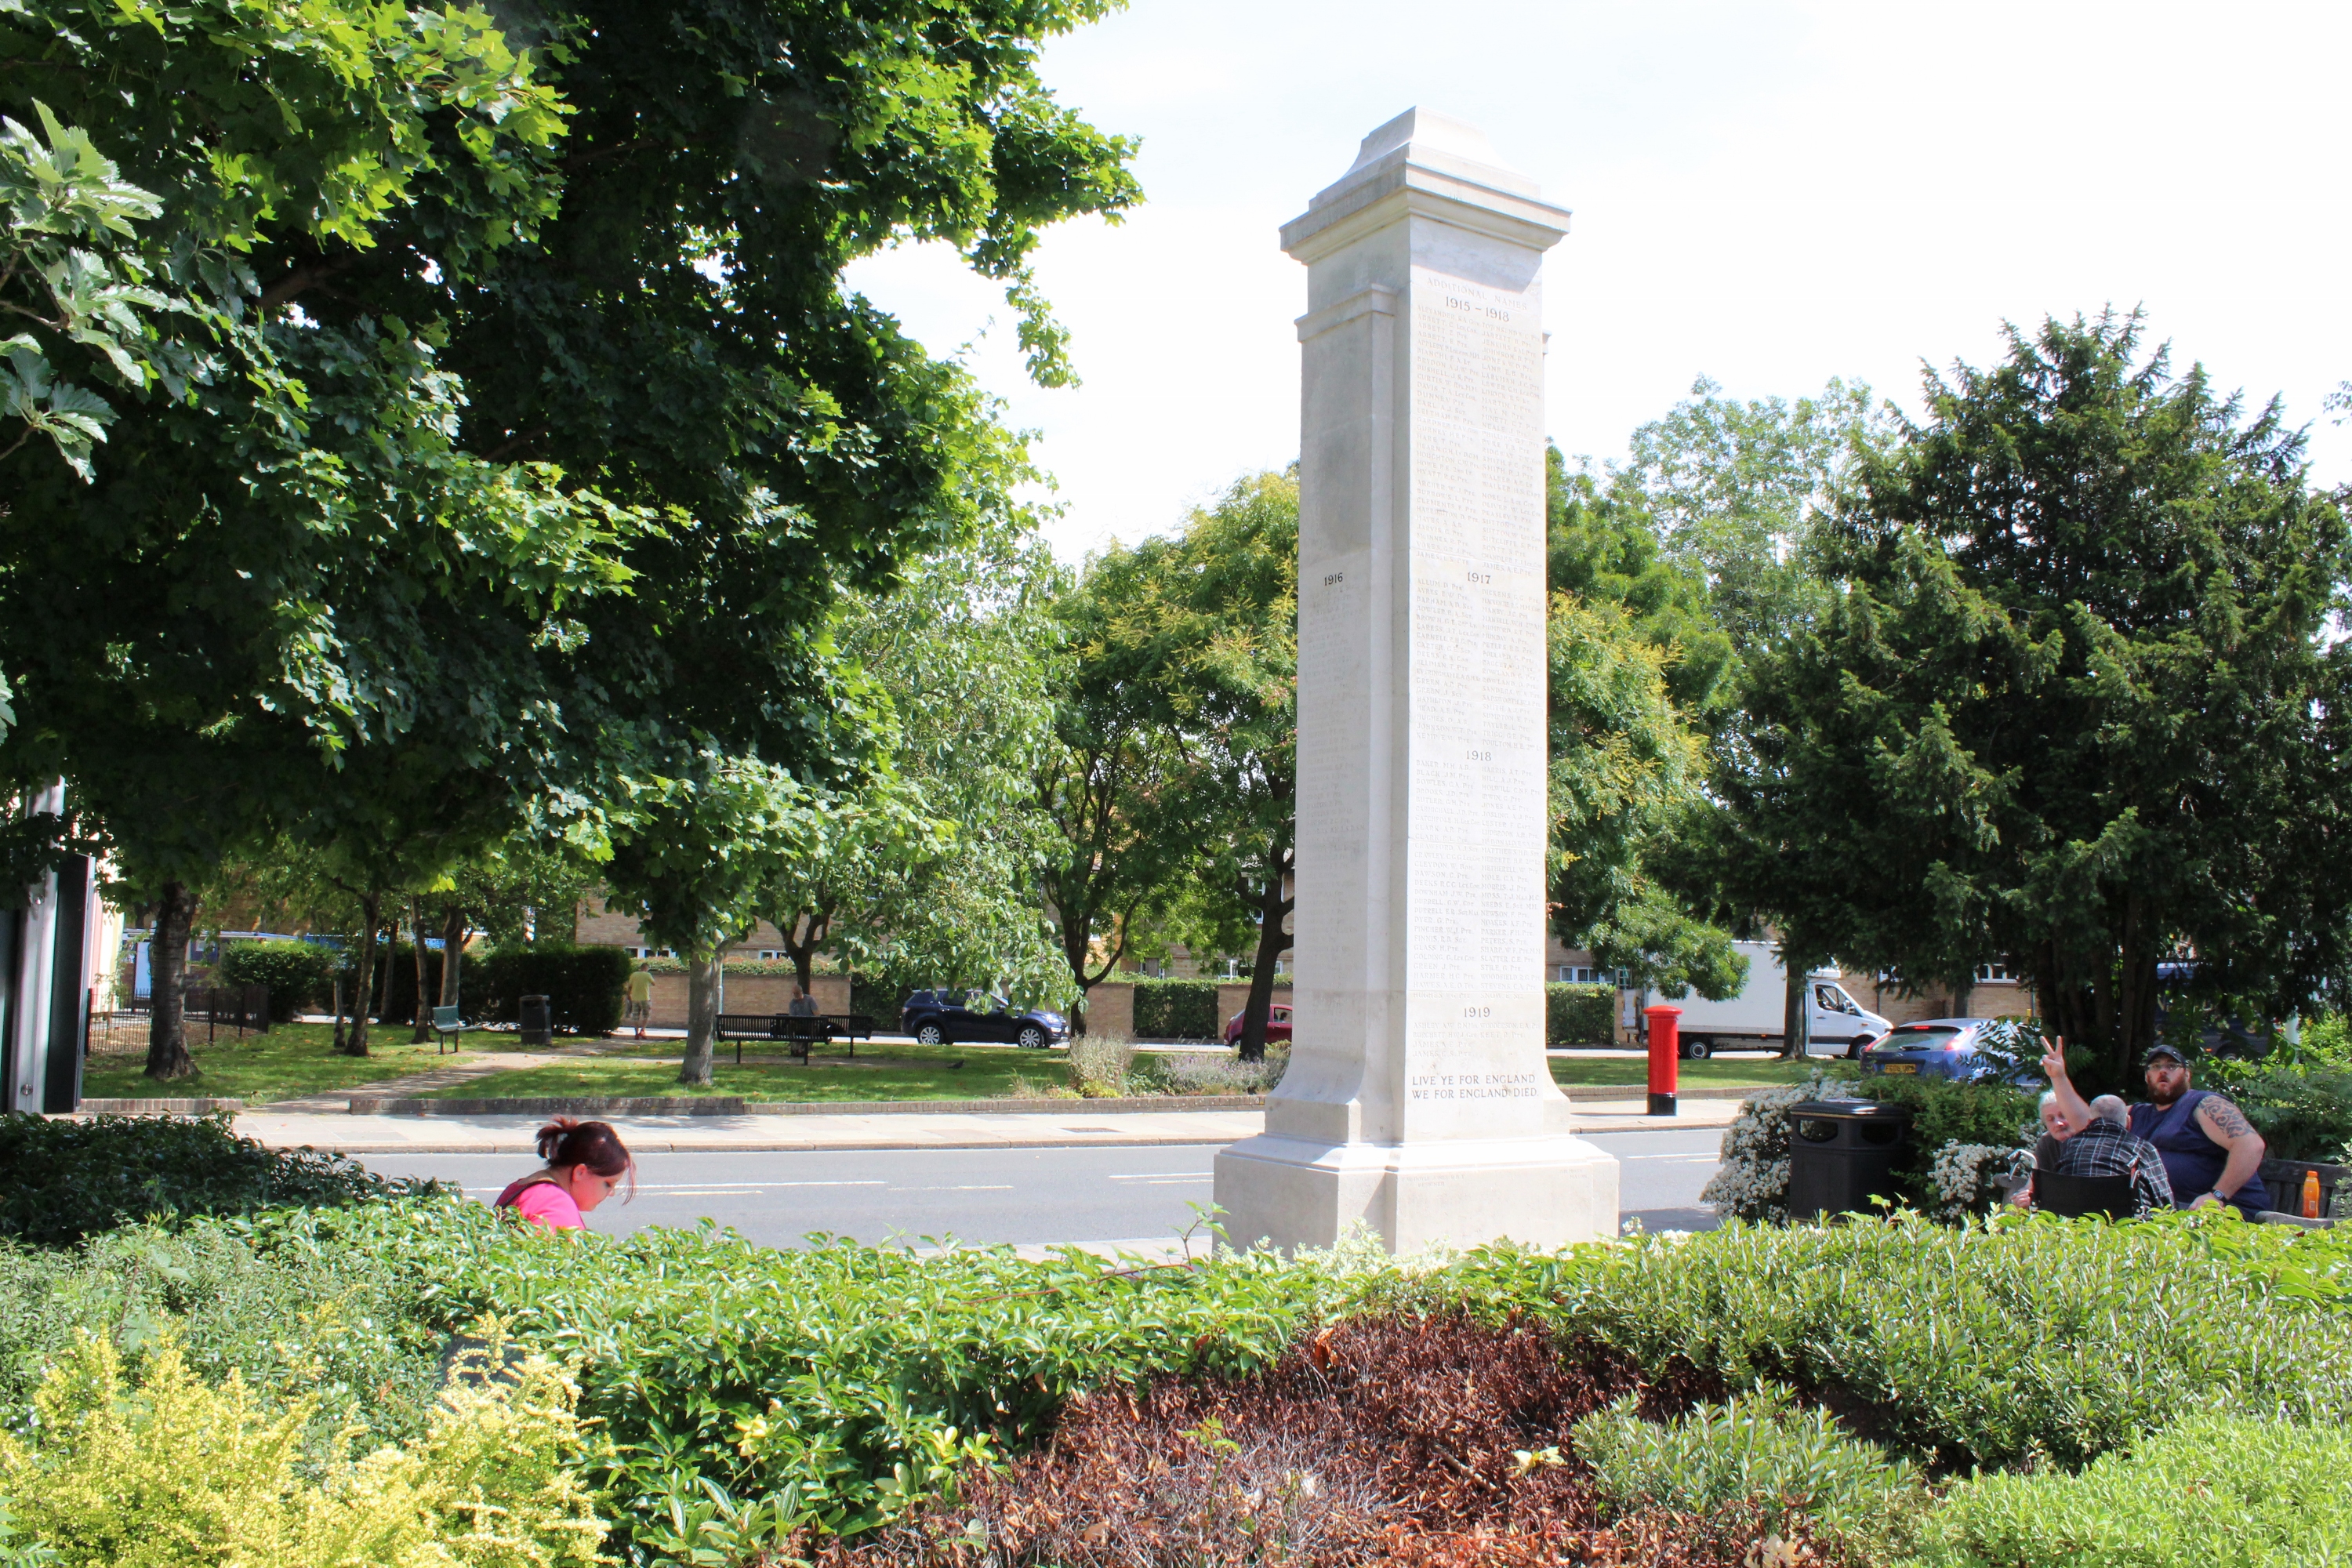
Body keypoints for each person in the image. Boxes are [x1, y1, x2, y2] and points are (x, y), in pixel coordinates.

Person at [2042, 1038, 2267, 1218]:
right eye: (2156, 1067)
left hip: (2223, 1213)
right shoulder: (2137, 1115)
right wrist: (2059, 1077)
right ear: (2147, 1076)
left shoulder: (2204, 1104)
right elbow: (2088, 1124)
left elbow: (2251, 1145)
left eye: (2172, 1066)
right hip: (2165, 1216)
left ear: (2187, 1075)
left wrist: (2217, 1195)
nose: (2163, 1072)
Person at [494, 1118, 634, 1232]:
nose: (611, 1193)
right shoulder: (557, 1207)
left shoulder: (521, 1187)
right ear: (580, 1172)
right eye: (608, 1184)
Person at [626, 964, 653, 1039]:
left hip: (634, 998)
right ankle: (643, 1030)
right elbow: (653, 983)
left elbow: (630, 986)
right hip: (645, 998)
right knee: (646, 1015)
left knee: (635, 1016)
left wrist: (628, 995)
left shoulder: (634, 975)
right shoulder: (648, 975)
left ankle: (636, 1033)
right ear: (646, 968)